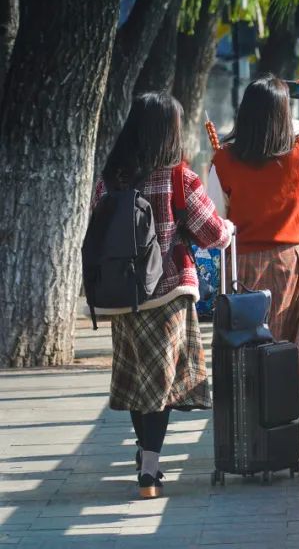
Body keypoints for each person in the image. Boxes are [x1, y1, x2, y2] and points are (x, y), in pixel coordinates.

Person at [90, 93, 232, 499]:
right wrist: (231, 228)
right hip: (168, 295)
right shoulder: (179, 178)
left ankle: (144, 455)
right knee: (162, 384)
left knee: (141, 381)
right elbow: (214, 234)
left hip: (125, 297)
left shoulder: (111, 178)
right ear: (170, 131)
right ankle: (149, 471)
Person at [207, 76, 299, 392]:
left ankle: (244, 405)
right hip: (289, 264)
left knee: (242, 341)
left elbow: (217, 219)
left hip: (240, 264)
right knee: (283, 341)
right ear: (284, 114)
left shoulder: (223, 159)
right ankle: (280, 407)